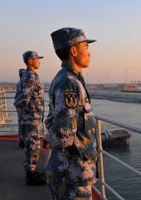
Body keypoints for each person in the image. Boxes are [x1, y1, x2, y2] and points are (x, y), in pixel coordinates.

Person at [44, 27, 98, 199]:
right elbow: (63, 137)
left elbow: (51, 119)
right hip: (73, 176)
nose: (89, 54)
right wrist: (51, 138)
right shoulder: (70, 83)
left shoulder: (63, 78)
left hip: (69, 172)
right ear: (74, 51)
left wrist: (49, 136)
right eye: (86, 48)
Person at [15, 51, 46, 185]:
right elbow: (25, 98)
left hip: (31, 116)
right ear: (30, 61)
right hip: (30, 117)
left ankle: (31, 171)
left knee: (31, 144)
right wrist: (18, 104)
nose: (39, 61)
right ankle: (30, 176)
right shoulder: (30, 76)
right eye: (37, 59)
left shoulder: (29, 75)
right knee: (33, 145)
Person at [14, 68, 26, 148]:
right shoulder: (24, 84)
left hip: (19, 107)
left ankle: (21, 140)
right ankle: (24, 140)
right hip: (23, 107)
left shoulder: (18, 83)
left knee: (20, 124)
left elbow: (16, 96)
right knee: (25, 124)